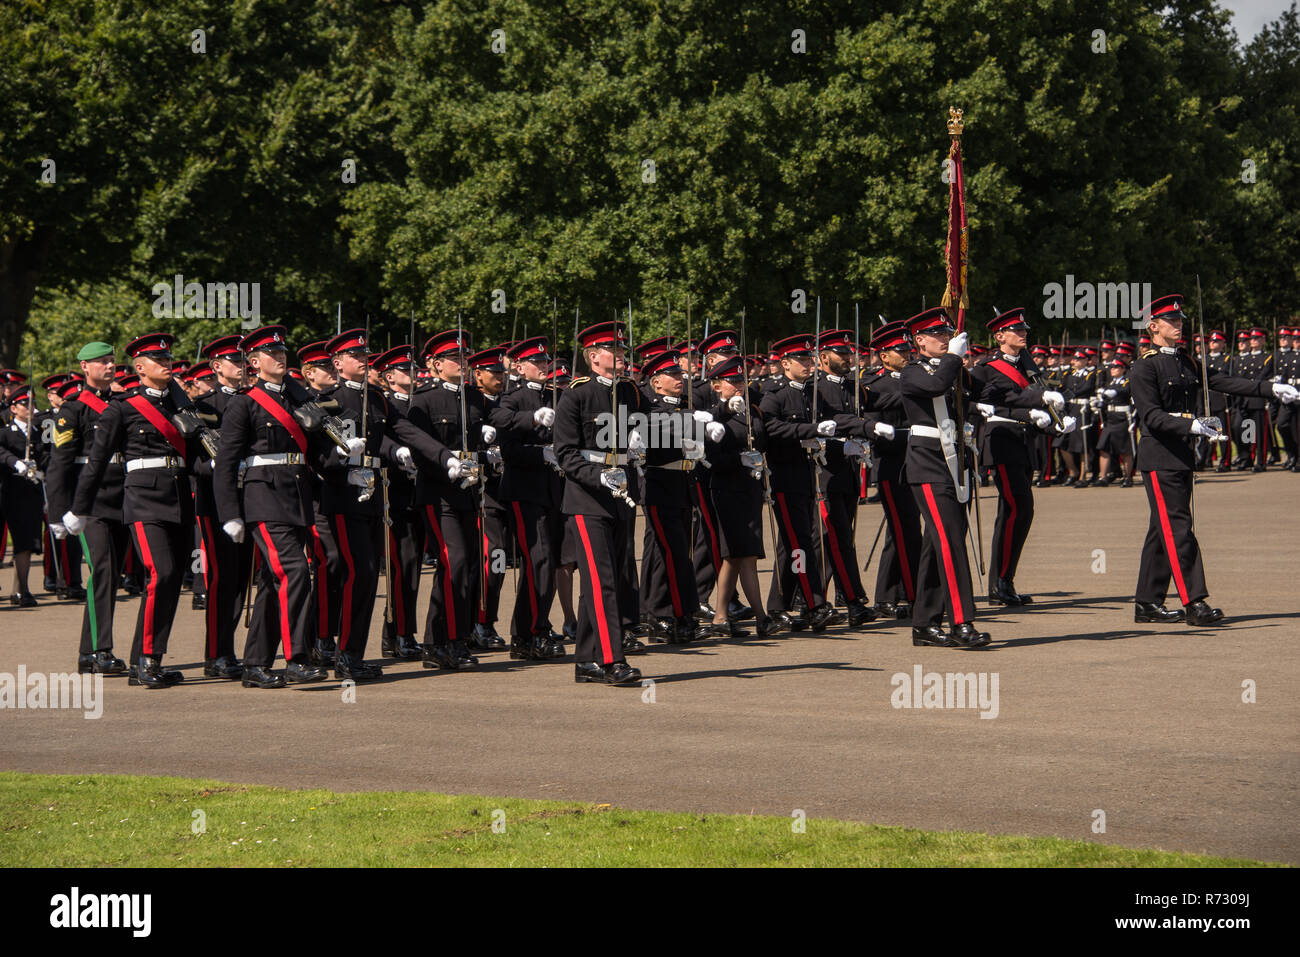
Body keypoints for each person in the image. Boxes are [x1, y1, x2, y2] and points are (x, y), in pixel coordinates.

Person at [1129, 295, 1300, 626]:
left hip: (1181, 455)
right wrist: (1191, 424)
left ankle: (1147, 604)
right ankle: (1194, 602)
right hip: (1160, 456)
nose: (1179, 326)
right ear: (1153, 327)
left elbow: (1223, 381)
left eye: (1180, 321)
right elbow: (1151, 417)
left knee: (1161, 530)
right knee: (1179, 529)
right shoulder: (1144, 366)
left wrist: (1271, 389)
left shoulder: (1186, 362)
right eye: (1172, 322)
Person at [66, 333, 204, 688]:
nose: (167, 364)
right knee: (161, 572)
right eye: (158, 360)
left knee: (172, 579)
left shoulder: (178, 404)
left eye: (169, 359)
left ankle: (150, 658)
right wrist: (79, 509)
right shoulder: (124, 407)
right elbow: (96, 462)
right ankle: (143, 660)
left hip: (177, 495)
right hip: (143, 499)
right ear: (140, 368)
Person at [214, 325, 337, 688]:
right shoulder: (244, 403)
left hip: (296, 496)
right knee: (296, 571)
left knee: (272, 583)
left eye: (283, 353)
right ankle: (297, 658)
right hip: (263, 499)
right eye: (272, 354)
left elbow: (311, 453)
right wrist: (230, 514)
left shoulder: (296, 398)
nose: (281, 358)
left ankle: (255, 665)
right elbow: (225, 462)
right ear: (254, 361)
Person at [552, 320, 646, 685]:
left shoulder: (629, 392)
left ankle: (587, 660)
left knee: (611, 580)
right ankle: (611, 661)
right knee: (602, 580)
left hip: (622, 496)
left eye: (623, 351)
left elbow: (653, 421)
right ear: (594, 356)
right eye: (615, 351)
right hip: (588, 500)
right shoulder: (575, 395)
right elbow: (566, 454)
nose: (622, 357)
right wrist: (599, 476)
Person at [899, 308, 990, 648]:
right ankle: (961, 622)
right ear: (919, 340)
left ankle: (924, 623)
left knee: (935, 545)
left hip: (955, 465)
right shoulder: (912, 373)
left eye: (947, 333)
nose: (945, 338)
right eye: (937, 334)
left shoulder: (953, 369)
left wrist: (1037, 400)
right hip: (928, 466)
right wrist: (954, 356)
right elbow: (936, 387)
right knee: (951, 543)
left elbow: (986, 392)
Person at [974, 308, 1073, 606]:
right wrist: (1029, 408)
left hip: (1023, 441)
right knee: (1018, 509)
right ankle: (1001, 581)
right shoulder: (986, 368)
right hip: (1001, 441)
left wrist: (1056, 421)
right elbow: (983, 405)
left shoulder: (1028, 367)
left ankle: (1003, 581)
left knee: (1015, 513)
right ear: (999, 336)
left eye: (1024, 329)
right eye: (1015, 330)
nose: (1023, 333)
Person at [46, 343, 128, 676]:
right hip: (89, 502)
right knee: (103, 571)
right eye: (102, 361)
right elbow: (59, 465)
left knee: (110, 575)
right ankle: (101, 650)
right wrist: (58, 514)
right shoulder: (72, 410)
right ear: (84, 366)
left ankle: (87, 653)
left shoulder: (123, 404)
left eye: (111, 361)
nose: (109, 366)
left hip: (122, 497)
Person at [491, 335, 567, 660]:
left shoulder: (558, 396)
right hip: (525, 491)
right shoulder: (513, 399)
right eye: (535, 362)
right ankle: (532, 631)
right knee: (540, 559)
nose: (542, 366)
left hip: (554, 491)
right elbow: (503, 434)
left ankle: (527, 632)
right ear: (520, 367)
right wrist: (533, 422)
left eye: (544, 361)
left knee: (547, 565)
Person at [757, 333, 839, 632]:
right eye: (801, 360)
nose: (808, 364)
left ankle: (778, 606)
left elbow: (833, 419)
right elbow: (770, 427)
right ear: (785, 363)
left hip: (806, 475)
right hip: (785, 476)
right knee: (801, 544)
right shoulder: (774, 394)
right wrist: (810, 430)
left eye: (809, 358)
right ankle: (814, 603)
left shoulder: (811, 393)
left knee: (792, 544)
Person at [699, 354, 784, 638]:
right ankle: (762, 617)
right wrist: (740, 460)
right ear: (716, 385)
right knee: (745, 554)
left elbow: (768, 438)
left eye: (740, 380)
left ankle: (721, 616)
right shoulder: (711, 417)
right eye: (731, 381)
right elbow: (711, 459)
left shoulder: (754, 412)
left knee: (734, 557)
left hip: (750, 488)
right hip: (726, 489)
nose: (738, 386)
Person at [0, 386, 45, 606]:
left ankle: (21, 589)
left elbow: (48, 455)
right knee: (16, 540)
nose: (30, 408)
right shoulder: (5, 432)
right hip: (10, 491)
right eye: (25, 404)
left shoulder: (38, 432)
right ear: (14, 408)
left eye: (32, 404)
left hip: (31, 492)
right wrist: (15, 462)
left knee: (26, 542)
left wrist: (40, 469)